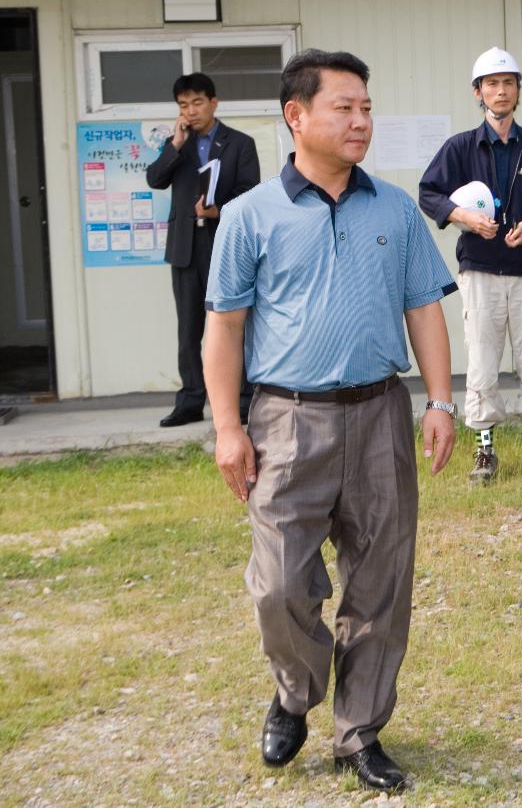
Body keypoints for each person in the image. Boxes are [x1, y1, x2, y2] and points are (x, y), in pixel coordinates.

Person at [204, 49, 458, 792]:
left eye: (367, 108)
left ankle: (360, 732)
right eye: (344, 107)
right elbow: (223, 329)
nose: (361, 121)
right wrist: (227, 425)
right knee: (280, 582)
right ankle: (294, 692)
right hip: (286, 418)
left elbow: (425, 307)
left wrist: (441, 401)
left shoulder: (394, 208)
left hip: (380, 413)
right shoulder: (251, 215)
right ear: (297, 116)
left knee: (381, 579)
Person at [418, 47, 522, 485]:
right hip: (479, 268)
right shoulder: (460, 147)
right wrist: (463, 217)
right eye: (492, 84)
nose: (500, 91)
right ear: (478, 92)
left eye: (509, 83)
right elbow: (429, 193)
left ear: (518, 91)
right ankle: (485, 450)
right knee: (481, 359)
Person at [146, 72, 259, 427]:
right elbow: (154, 179)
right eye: (183, 105)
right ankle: (191, 401)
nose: (190, 111)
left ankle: (244, 398)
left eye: (197, 103)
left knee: (233, 323)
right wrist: (175, 145)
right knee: (189, 329)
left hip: (224, 244)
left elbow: (249, 192)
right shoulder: (175, 144)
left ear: (214, 102)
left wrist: (219, 209)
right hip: (184, 249)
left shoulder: (239, 143)